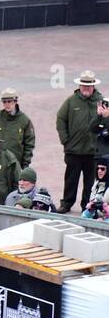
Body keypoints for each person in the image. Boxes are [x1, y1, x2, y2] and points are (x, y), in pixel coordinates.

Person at [55, 70, 105, 214]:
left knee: (90, 181)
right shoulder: (71, 101)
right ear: (80, 86)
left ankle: (86, 205)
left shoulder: (101, 101)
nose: (86, 89)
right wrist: (65, 140)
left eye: (89, 86)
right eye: (83, 86)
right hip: (73, 150)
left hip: (93, 151)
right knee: (71, 179)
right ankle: (66, 203)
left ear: (93, 87)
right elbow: (60, 119)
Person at [0, 88, 35, 170]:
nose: (7, 104)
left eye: (9, 101)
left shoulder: (24, 121)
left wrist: (25, 166)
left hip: (16, 164)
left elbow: (29, 145)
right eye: (4, 102)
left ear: (15, 102)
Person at [84, 155, 109, 220]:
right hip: (97, 216)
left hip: (106, 218)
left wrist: (104, 219)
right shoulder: (97, 184)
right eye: (98, 168)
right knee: (83, 217)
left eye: (102, 169)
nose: (99, 171)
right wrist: (91, 206)